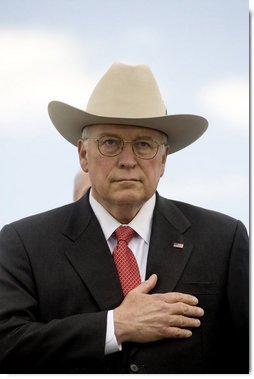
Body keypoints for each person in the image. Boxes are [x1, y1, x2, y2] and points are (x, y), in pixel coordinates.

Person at [0, 63, 249, 374]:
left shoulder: (223, 239)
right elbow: (7, 345)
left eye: (144, 145)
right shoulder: (24, 242)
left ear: (163, 159)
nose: (128, 161)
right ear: (83, 155)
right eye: (110, 143)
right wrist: (114, 327)